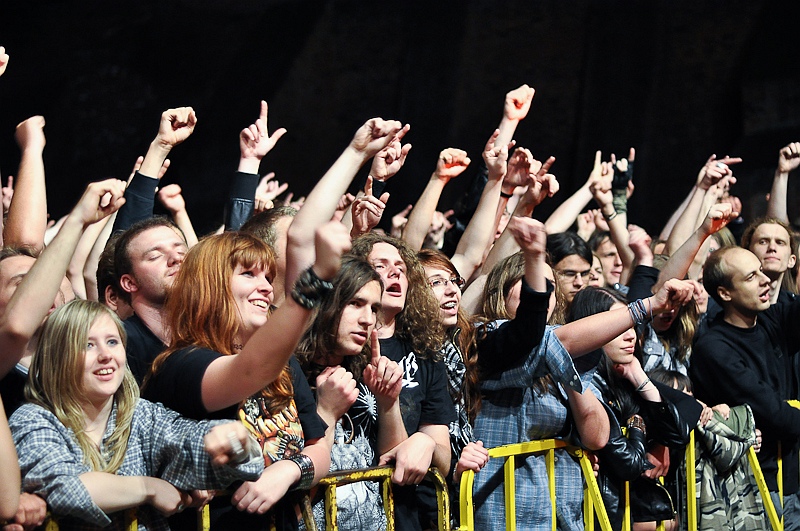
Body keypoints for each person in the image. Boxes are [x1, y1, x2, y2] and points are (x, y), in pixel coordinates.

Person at [144, 227, 348, 530]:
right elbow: (249, 370)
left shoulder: (284, 366)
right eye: (249, 274)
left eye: (268, 277)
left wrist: (288, 471)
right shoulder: (181, 365)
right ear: (209, 285)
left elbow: (318, 448)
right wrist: (315, 279)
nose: (266, 287)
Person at [10, 300, 264, 530]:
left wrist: (233, 443)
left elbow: (188, 444)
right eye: (87, 345)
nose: (106, 355)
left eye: (112, 342)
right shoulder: (32, 420)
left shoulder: (139, 414)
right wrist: (150, 488)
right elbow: (65, 488)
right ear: (58, 357)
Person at [349, 233, 455, 531]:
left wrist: (424, 442)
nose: (395, 271)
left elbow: (443, 460)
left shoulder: (425, 351)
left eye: (401, 267)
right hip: (350, 511)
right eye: (381, 266)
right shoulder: (340, 348)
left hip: (410, 512)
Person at [569, 287, 699, 530]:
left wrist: (641, 379)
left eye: (631, 326)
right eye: (619, 328)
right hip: (597, 515)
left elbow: (678, 434)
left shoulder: (626, 376)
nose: (630, 336)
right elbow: (629, 463)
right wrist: (638, 425)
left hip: (622, 513)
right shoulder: (587, 384)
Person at [691, 246, 800, 528]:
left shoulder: (769, 320)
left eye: (761, 271)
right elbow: (775, 415)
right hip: (753, 487)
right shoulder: (715, 348)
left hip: (788, 479)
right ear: (725, 293)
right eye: (751, 276)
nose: (766, 280)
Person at [296, 256, 406, 531]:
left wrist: (388, 401)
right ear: (326, 304)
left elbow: (393, 457)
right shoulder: (288, 375)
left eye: (374, 308)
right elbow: (295, 492)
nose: (367, 319)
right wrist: (327, 413)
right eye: (355, 303)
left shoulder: (361, 372)